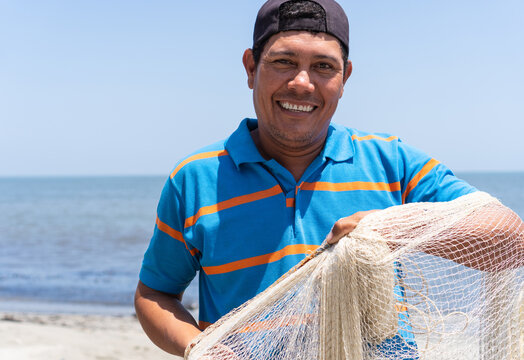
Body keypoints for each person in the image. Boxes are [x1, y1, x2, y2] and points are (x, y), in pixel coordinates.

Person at [135, 0, 523, 357]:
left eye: (323, 66)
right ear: (251, 68)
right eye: (284, 62)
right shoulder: (194, 179)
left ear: (345, 76)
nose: (302, 83)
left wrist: (388, 227)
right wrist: (198, 348)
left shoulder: (392, 161)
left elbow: (509, 237)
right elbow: (155, 292)